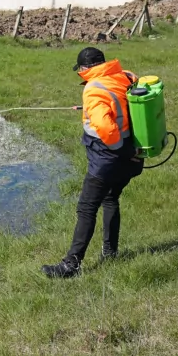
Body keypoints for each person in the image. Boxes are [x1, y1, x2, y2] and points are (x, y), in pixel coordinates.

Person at [42, 47, 144, 278]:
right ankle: (110, 253)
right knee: (110, 198)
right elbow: (120, 105)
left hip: (109, 158)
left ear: (86, 69)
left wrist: (122, 149)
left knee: (86, 208)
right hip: (133, 157)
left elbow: (107, 127)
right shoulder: (127, 76)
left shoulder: (94, 89)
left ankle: (71, 265)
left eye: (80, 70)